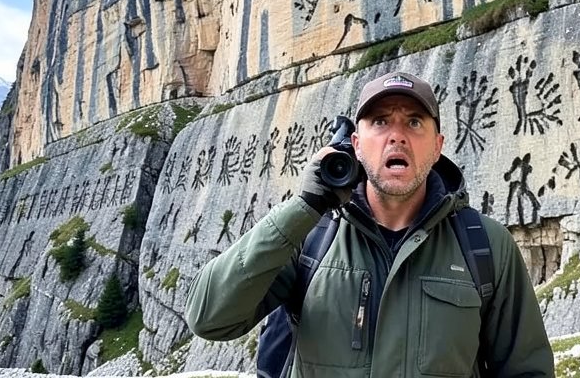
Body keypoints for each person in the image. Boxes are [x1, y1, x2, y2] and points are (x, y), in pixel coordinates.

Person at [185, 71, 554, 377]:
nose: (397, 136)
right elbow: (208, 317)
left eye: (414, 122)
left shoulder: (485, 245)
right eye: (380, 122)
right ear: (357, 145)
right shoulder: (310, 236)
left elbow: (527, 370)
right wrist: (304, 207)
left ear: (437, 144)